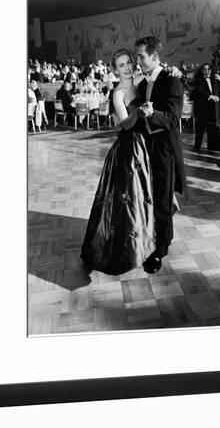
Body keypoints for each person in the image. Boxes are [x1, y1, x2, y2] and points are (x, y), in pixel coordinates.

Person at [80, 49, 156, 275]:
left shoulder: (141, 81)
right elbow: (124, 123)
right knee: (126, 201)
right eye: (121, 65)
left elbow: (156, 77)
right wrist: (140, 112)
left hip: (145, 145)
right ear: (114, 69)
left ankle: (145, 243)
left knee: (143, 197)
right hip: (128, 149)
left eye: (129, 63)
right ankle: (125, 250)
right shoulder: (118, 93)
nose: (127, 67)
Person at [135, 36, 187, 273]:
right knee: (151, 196)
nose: (138, 61)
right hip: (146, 148)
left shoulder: (172, 80)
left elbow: (173, 119)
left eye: (141, 57)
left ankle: (161, 250)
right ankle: (155, 236)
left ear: (155, 57)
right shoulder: (142, 84)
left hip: (165, 148)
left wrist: (151, 113)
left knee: (162, 200)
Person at [192, 63, 220, 153]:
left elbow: (219, 90)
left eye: (208, 69)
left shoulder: (213, 80)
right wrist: (210, 96)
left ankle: (212, 146)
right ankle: (197, 147)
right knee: (200, 128)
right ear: (201, 71)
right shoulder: (198, 80)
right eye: (204, 69)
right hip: (201, 108)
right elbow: (199, 92)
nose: (207, 71)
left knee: (212, 128)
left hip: (212, 108)